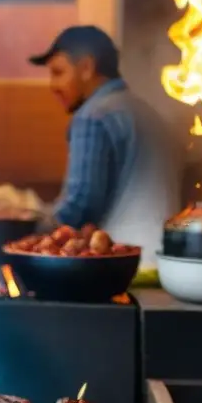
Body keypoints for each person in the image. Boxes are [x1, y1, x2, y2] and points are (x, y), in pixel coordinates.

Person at [29, 25, 181, 267]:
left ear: (87, 67)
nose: (52, 85)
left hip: (124, 265)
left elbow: (81, 205)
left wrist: (26, 232)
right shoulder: (146, 111)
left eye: (58, 72)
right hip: (167, 261)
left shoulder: (93, 116)